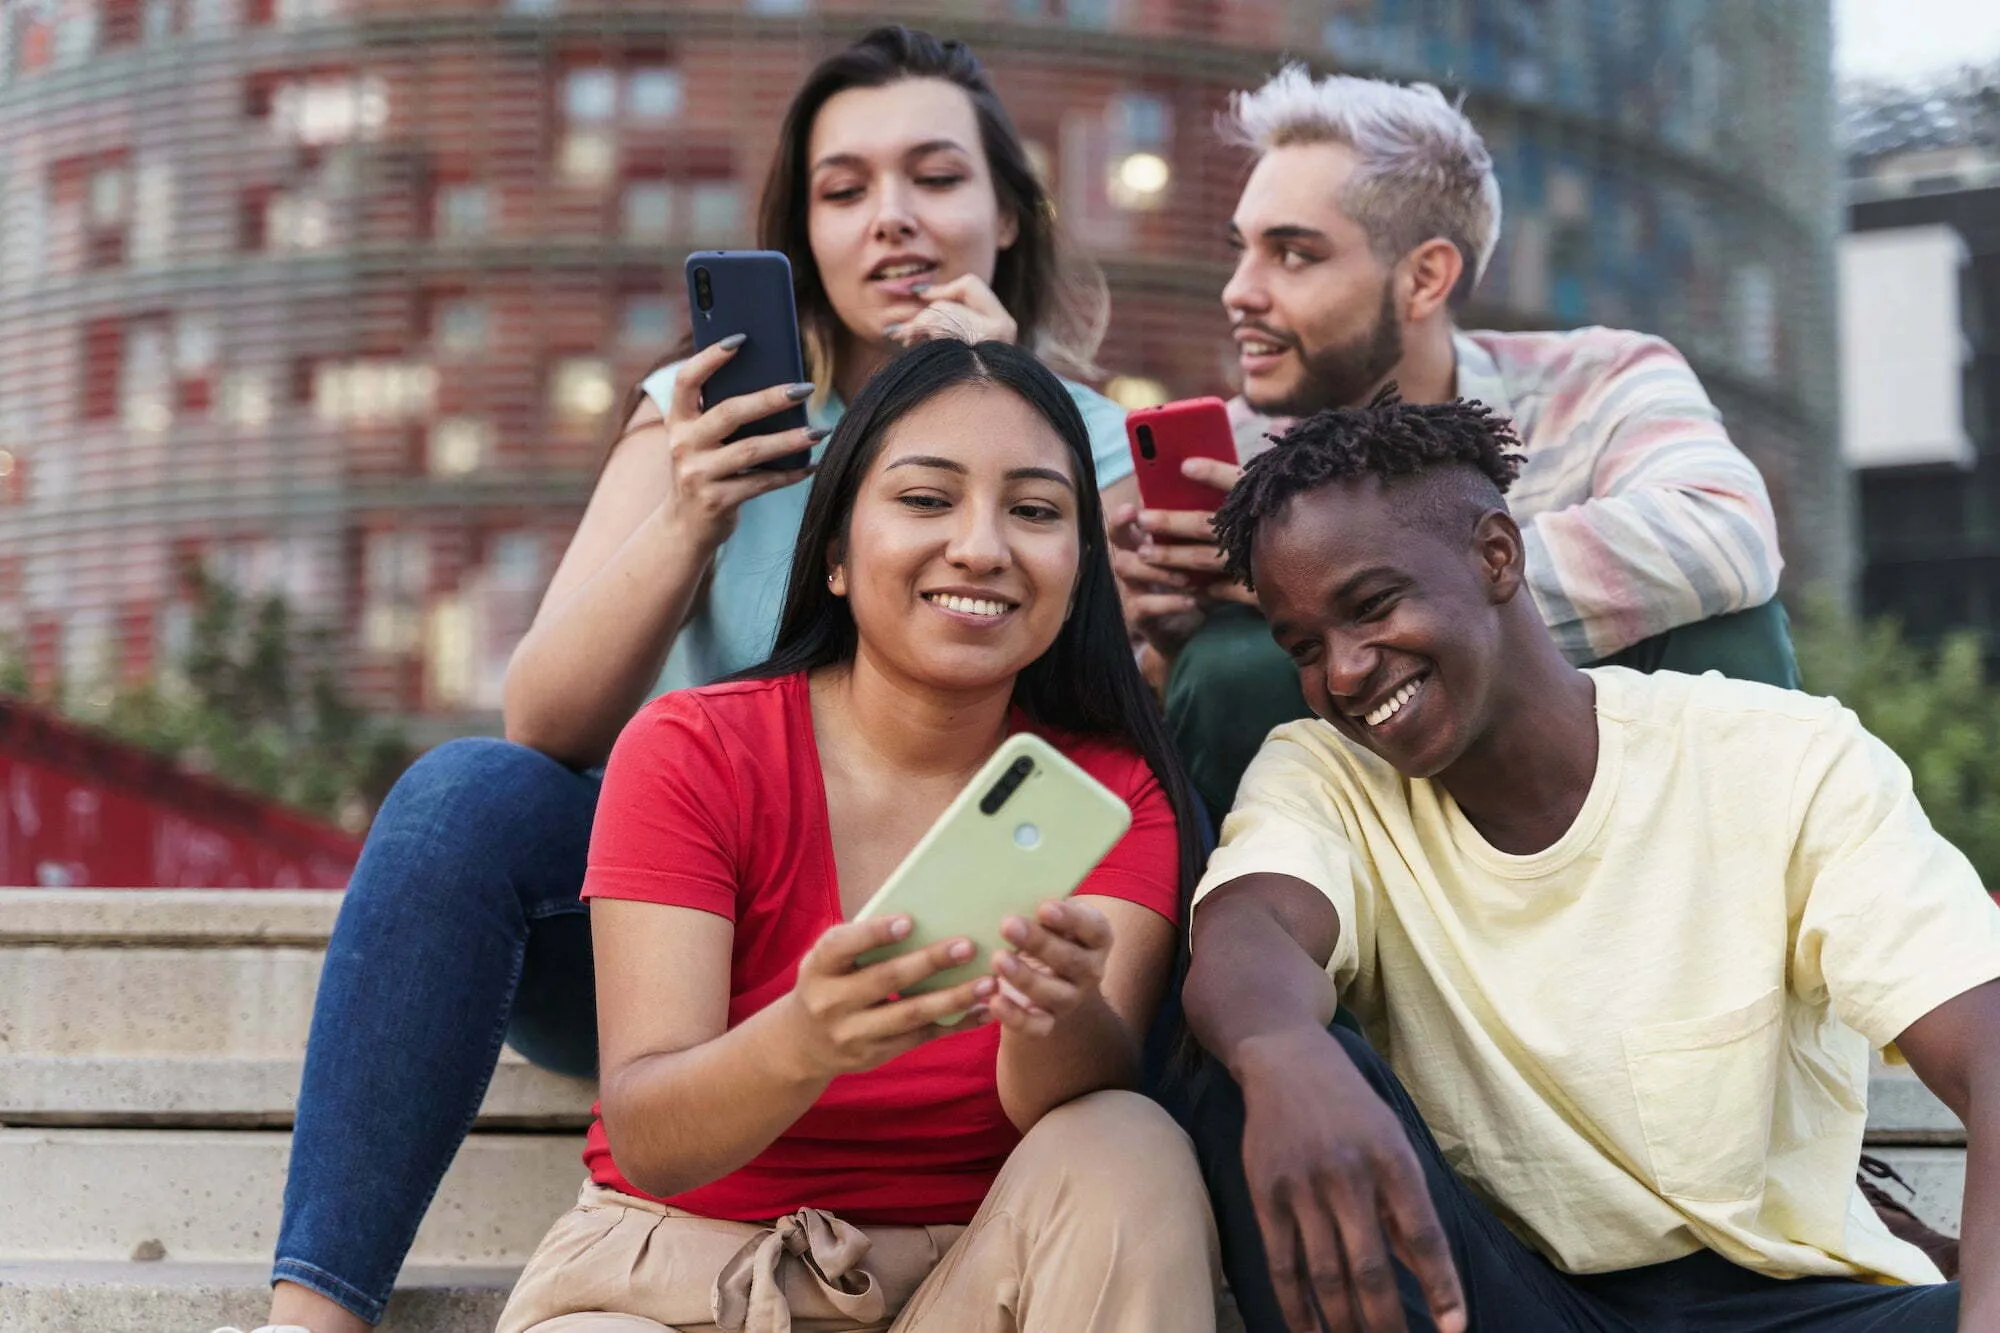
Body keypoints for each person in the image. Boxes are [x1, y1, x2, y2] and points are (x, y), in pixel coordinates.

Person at [261, 28, 1139, 1333]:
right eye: (844, 190)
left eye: (934, 178)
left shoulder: (1084, 432)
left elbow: (1113, 725)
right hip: (687, 945)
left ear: (1006, 214)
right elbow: (544, 722)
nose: (891, 219)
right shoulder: (709, 409)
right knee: (461, 796)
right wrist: (690, 517)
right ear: (800, 234)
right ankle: (312, 1317)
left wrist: (1003, 406)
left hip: (950, 949)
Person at [1178, 394, 1999, 1332]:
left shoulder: (1780, 758)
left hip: (1793, 1307)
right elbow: (1252, 933)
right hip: (1510, 1303)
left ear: (1498, 555)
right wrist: (1281, 1053)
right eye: (1305, 648)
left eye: (1372, 606)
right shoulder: (1325, 774)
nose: (1346, 671)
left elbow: (1988, 1048)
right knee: (1246, 1061)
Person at [495, 337, 1218, 1333]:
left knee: (1125, 1139)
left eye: (1035, 510)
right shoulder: (692, 747)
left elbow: (1059, 1108)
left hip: (972, 1284)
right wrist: (806, 1037)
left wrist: (1052, 1010)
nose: (980, 546)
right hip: (675, 1291)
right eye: (926, 499)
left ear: (1079, 566)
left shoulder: (1109, 788)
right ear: (833, 552)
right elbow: (652, 1134)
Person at [1112, 67, 1796, 823]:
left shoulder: (1597, 378)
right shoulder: (1226, 459)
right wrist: (1169, 644)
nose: (1239, 290)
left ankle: (1754, 911)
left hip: (1615, 824)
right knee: (1224, 666)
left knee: (1730, 614)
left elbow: (1725, 531)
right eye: (1241, 251)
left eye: (1294, 254)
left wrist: (1368, 589)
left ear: (1425, 278)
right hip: (1350, 853)